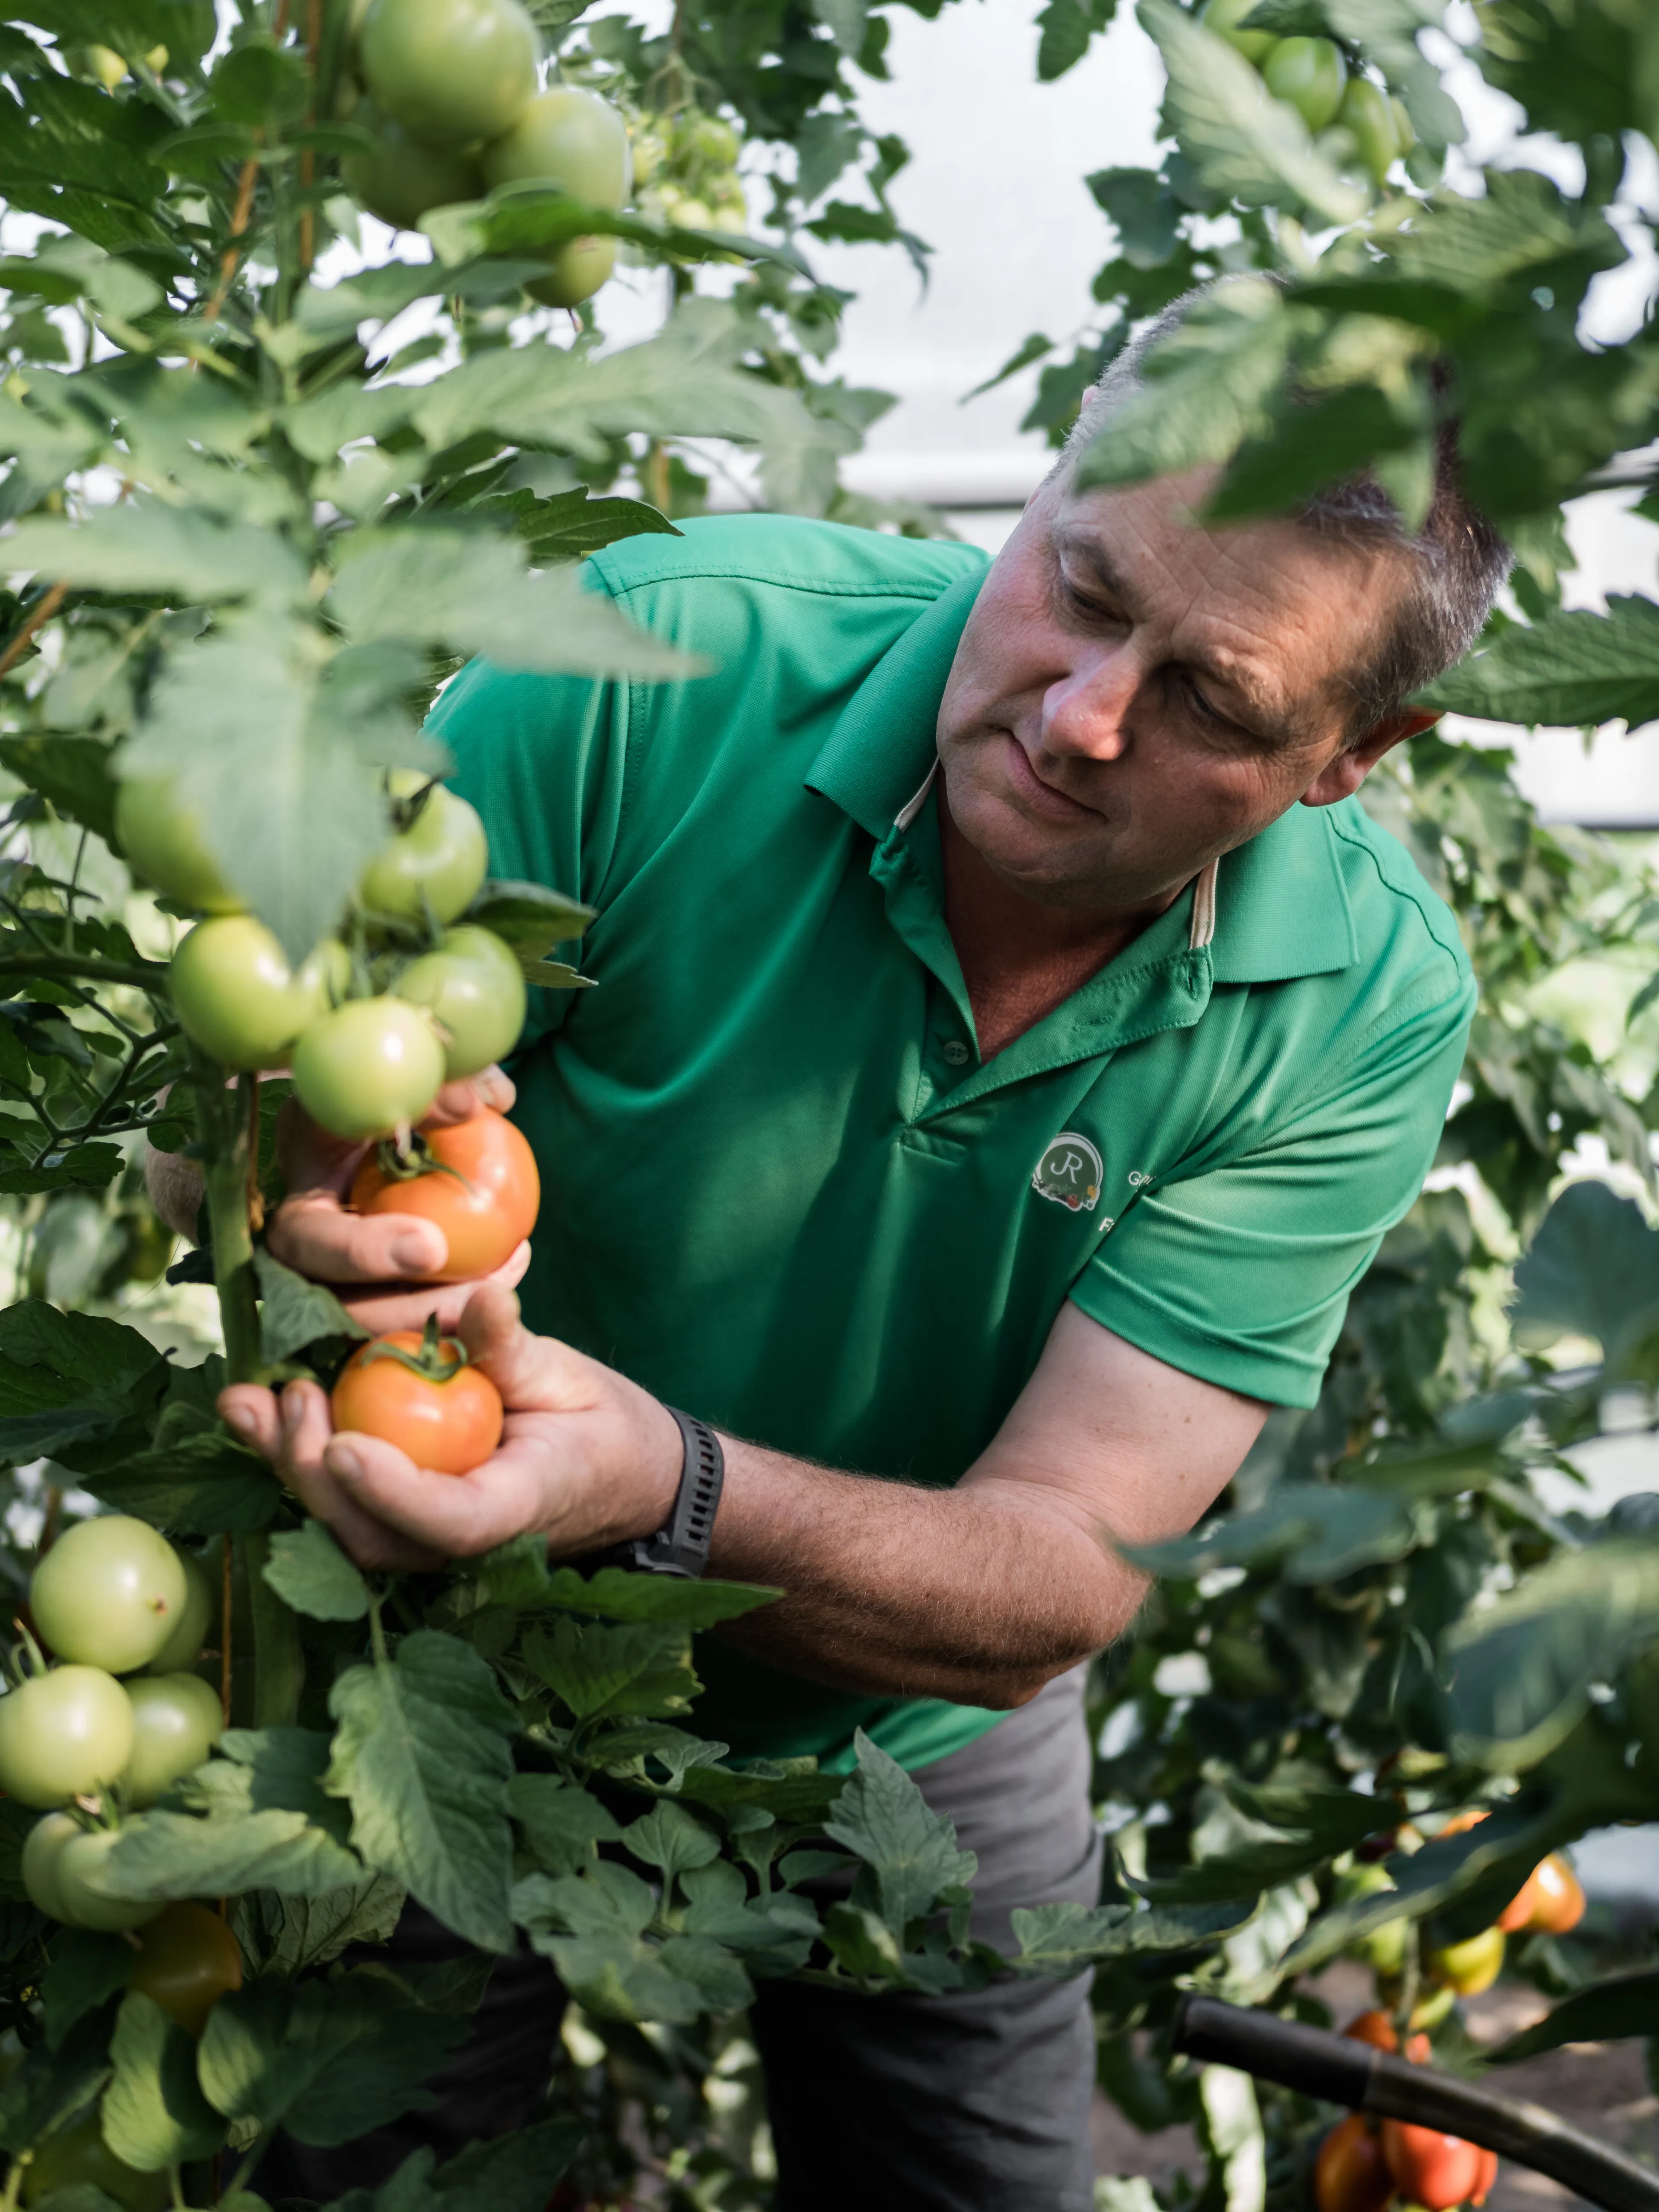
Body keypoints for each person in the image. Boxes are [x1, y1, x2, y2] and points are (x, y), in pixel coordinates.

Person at [151, 291, 1507, 2210]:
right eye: (1080, 583)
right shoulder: (637, 665)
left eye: (1213, 700)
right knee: (388, 2164)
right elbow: (283, 1152)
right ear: (1040, 487)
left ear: (1357, 755)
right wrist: (302, 1206)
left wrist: (660, 1491)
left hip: (912, 1711)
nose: (1080, 714)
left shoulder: (1358, 998)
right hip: (420, 1639)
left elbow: (1059, 1578)